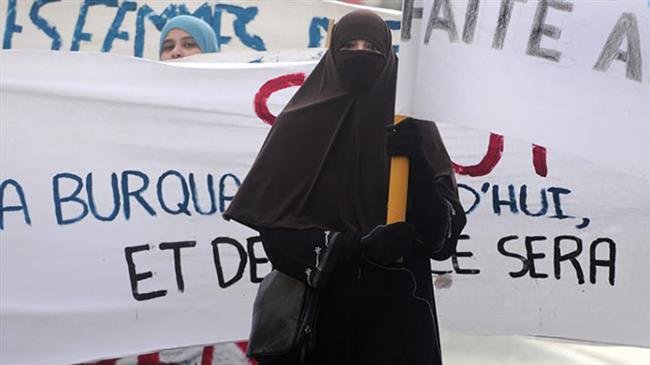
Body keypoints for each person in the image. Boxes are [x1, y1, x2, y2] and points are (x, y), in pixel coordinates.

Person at [224, 9, 466, 365]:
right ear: (332, 54)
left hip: (398, 325)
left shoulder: (411, 126)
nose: (360, 53)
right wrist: (356, 248)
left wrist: (418, 170)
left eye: (372, 46)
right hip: (320, 328)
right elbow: (277, 238)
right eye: (349, 44)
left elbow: (442, 240)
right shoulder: (299, 124)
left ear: (389, 59)